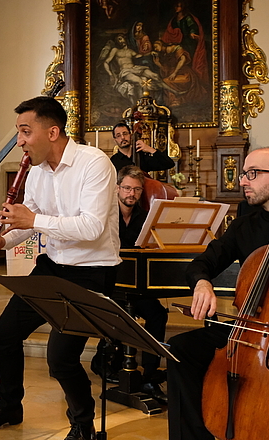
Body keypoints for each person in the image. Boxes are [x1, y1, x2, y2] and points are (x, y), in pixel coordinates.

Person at [0, 96, 121, 440]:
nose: (20, 141)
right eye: (19, 132)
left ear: (52, 132)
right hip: (51, 266)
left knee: (60, 359)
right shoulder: (36, 171)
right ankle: (10, 406)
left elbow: (92, 227)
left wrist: (33, 218)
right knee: (5, 335)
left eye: (25, 131)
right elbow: (27, 224)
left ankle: (83, 426)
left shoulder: (94, 164)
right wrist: (2, 241)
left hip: (92, 270)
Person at [167, 147, 269, 440]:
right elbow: (202, 263)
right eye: (245, 173)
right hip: (251, 331)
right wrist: (202, 283)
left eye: (252, 174)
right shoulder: (246, 226)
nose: (242, 181)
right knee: (181, 349)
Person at [91, 165, 168, 401]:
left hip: (134, 285)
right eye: (126, 188)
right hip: (108, 283)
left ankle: (151, 370)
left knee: (158, 314)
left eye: (136, 189)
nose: (131, 194)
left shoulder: (145, 218)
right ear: (116, 189)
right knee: (117, 314)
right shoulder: (103, 214)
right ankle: (103, 360)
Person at [110, 121, 175, 173]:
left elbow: (169, 164)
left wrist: (151, 149)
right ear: (115, 140)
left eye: (125, 134)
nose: (123, 137)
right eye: (118, 136)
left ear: (131, 135)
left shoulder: (142, 156)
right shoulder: (112, 162)